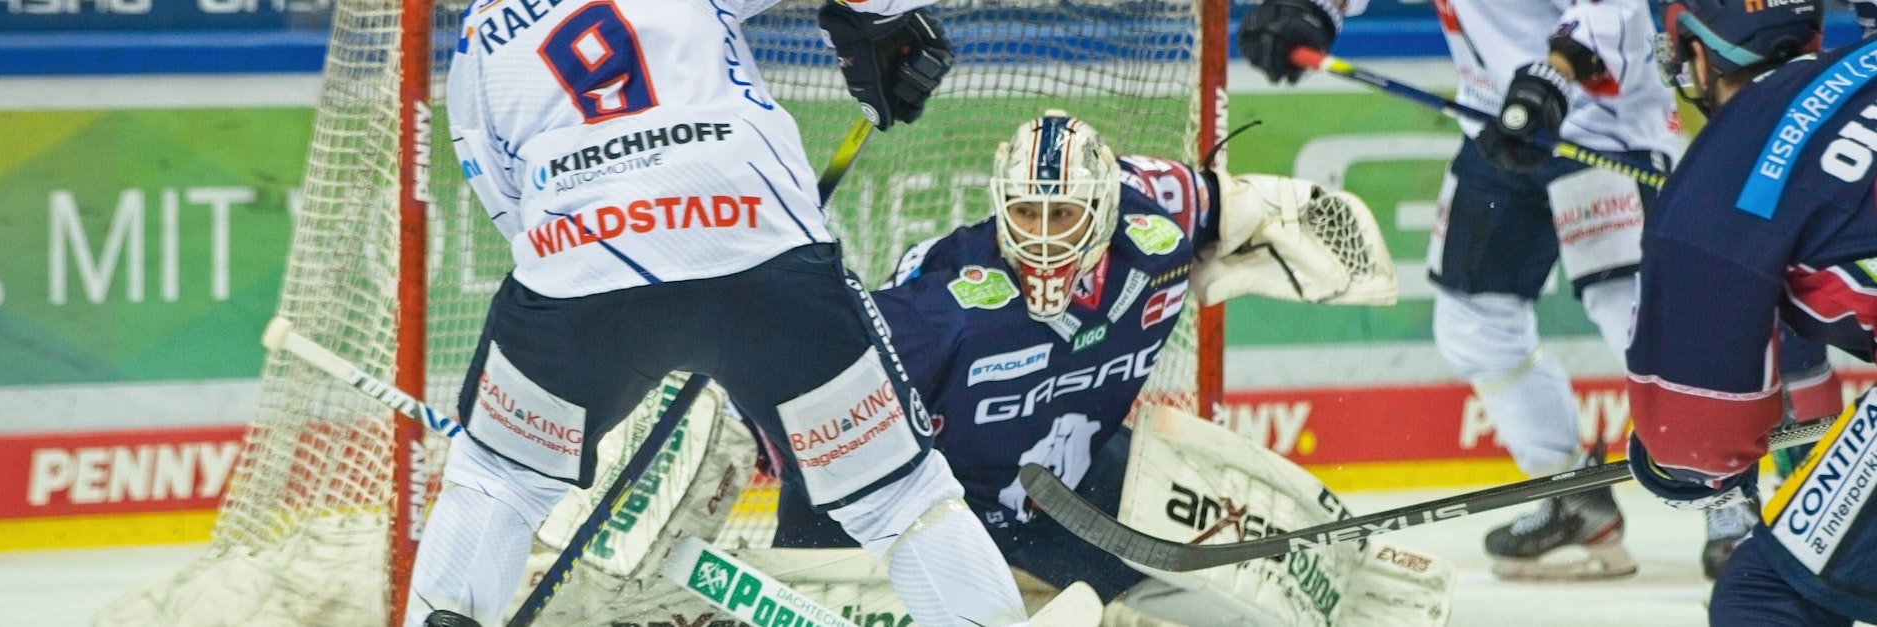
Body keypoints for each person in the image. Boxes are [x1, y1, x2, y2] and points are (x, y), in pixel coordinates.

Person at [409, 0, 1041, 625]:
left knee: (497, 479)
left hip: (580, 269)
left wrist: (619, 251)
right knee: (901, 496)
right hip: (758, 254)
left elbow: (506, 199)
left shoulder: (479, 33)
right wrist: (883, 24)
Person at [763, 111, 1448, 626]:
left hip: (1064, 491)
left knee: (1206, 588)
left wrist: (1278, 223)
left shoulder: (1160, 228)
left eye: (1062, 213)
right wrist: (747, 414)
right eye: (1025, 213)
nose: (1041, 237)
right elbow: (815, 396)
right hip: (943, 514)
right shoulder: (947, 305)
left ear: (1104, 208)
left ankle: (1330, 576)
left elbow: (1245, 204)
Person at [1237, 0, 1696, 579]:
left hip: (1602, 124)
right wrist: (1314, 9)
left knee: (1636, 318)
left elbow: (1614, 7)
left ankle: (1729, 502)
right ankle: (1573, 497)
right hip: (1499, 122)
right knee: (1472, 323)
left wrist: (1555, 71)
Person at [1625, 0, 1877, 624]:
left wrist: (1674, 468)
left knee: (1768, 597)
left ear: (1699, 56)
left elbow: (1697, 443)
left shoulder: (1724, 172)